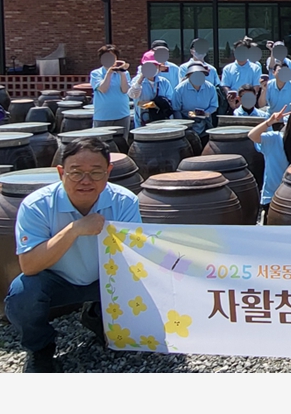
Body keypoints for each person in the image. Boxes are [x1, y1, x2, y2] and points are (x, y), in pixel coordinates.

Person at [4, 137, 142, 372]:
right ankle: (41, 348)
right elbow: (29, 266)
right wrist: (74, 230)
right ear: (61, 172)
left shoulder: (124, 201)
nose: (86, 181)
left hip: (104, 278)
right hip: (56, 280)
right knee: (22, 295)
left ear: (108, 172)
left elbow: (134, 256)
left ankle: (97, 315)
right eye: (76, 172)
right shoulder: (36, 205)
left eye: (96, 172)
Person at [248, 104, 291, 222]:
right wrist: (269, 122)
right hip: (273, 198)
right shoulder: (274, 139)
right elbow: (252, 135)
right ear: (290, 121)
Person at [127, 50, 175, 129]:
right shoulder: (137, 81)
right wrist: (141, 78)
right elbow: (132, 95)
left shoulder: (164, 82)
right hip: (143, 125)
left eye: (155, 65)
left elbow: (170, 102)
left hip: (162, 123)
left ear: (159, 67)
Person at [90, 43, 131, 131]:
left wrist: (122, 72)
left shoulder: (125, 73)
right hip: (103, 117)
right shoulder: (96, 73)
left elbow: (125, 90)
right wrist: (109, 73)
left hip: (122, 115)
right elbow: (103, 89)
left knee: (122, 139)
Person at [171, 63, 218, 138]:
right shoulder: (179, 89)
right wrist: (182, 126)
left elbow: (214, 106)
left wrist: (205, 113)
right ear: (189, 76)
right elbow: (176, 109)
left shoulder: (211, 88)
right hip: (186, 125)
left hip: (205, 124)